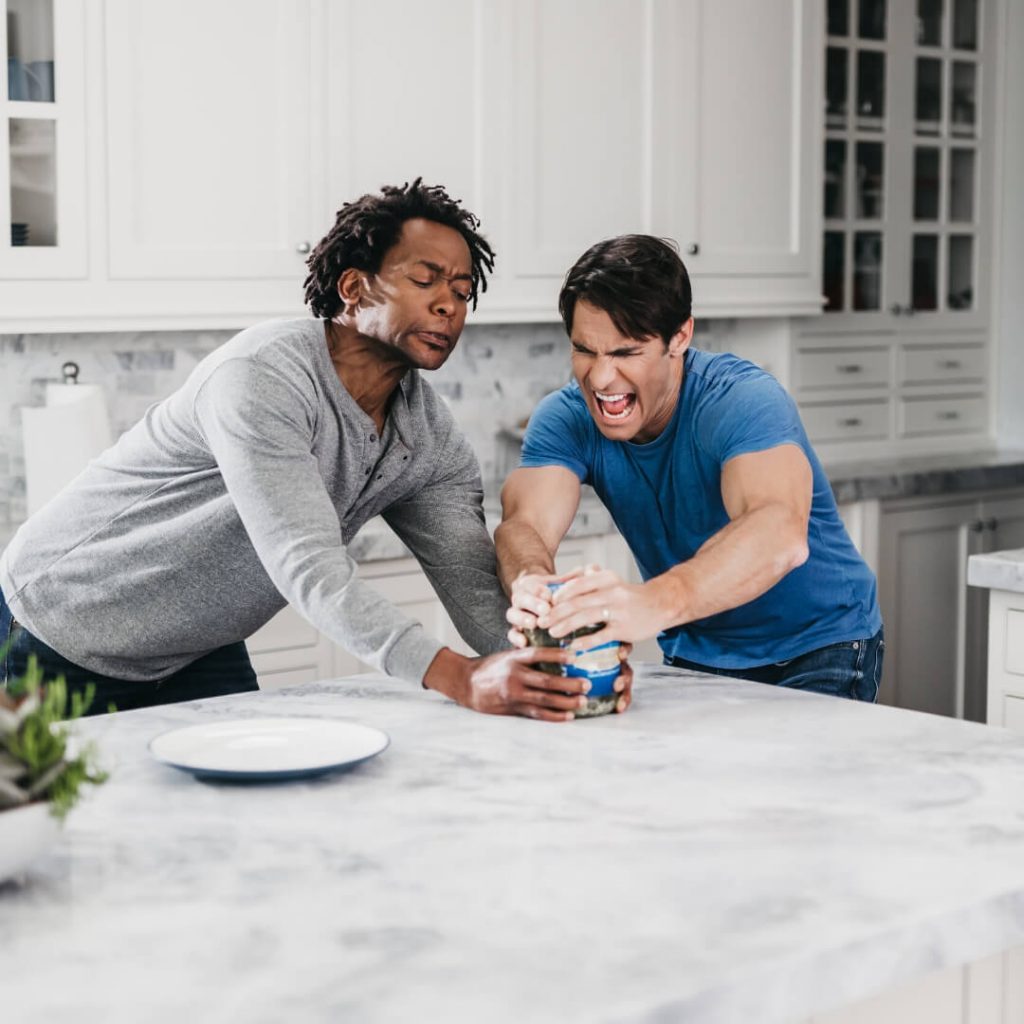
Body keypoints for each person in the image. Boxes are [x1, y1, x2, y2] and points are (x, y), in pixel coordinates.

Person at [1, 180, 629, 721]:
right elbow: (308, 567)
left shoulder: (427, 439)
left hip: (194, 651)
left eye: (463, 290)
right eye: (425, 279)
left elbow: (473, 586)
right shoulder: (262, 377)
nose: (450, 303)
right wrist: (460, 678)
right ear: (354, 287)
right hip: (58, 627)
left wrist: (560, 666)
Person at [496, 234, 883, 701]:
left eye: (625, 353)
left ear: (679, 337)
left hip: (818, 646)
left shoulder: (742, 400)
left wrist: (650, 603)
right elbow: (525, 525)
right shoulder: (565, 419)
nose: (600, 378)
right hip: (697, 648)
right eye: (585, 350)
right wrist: (533, 585)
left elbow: (778, 532)